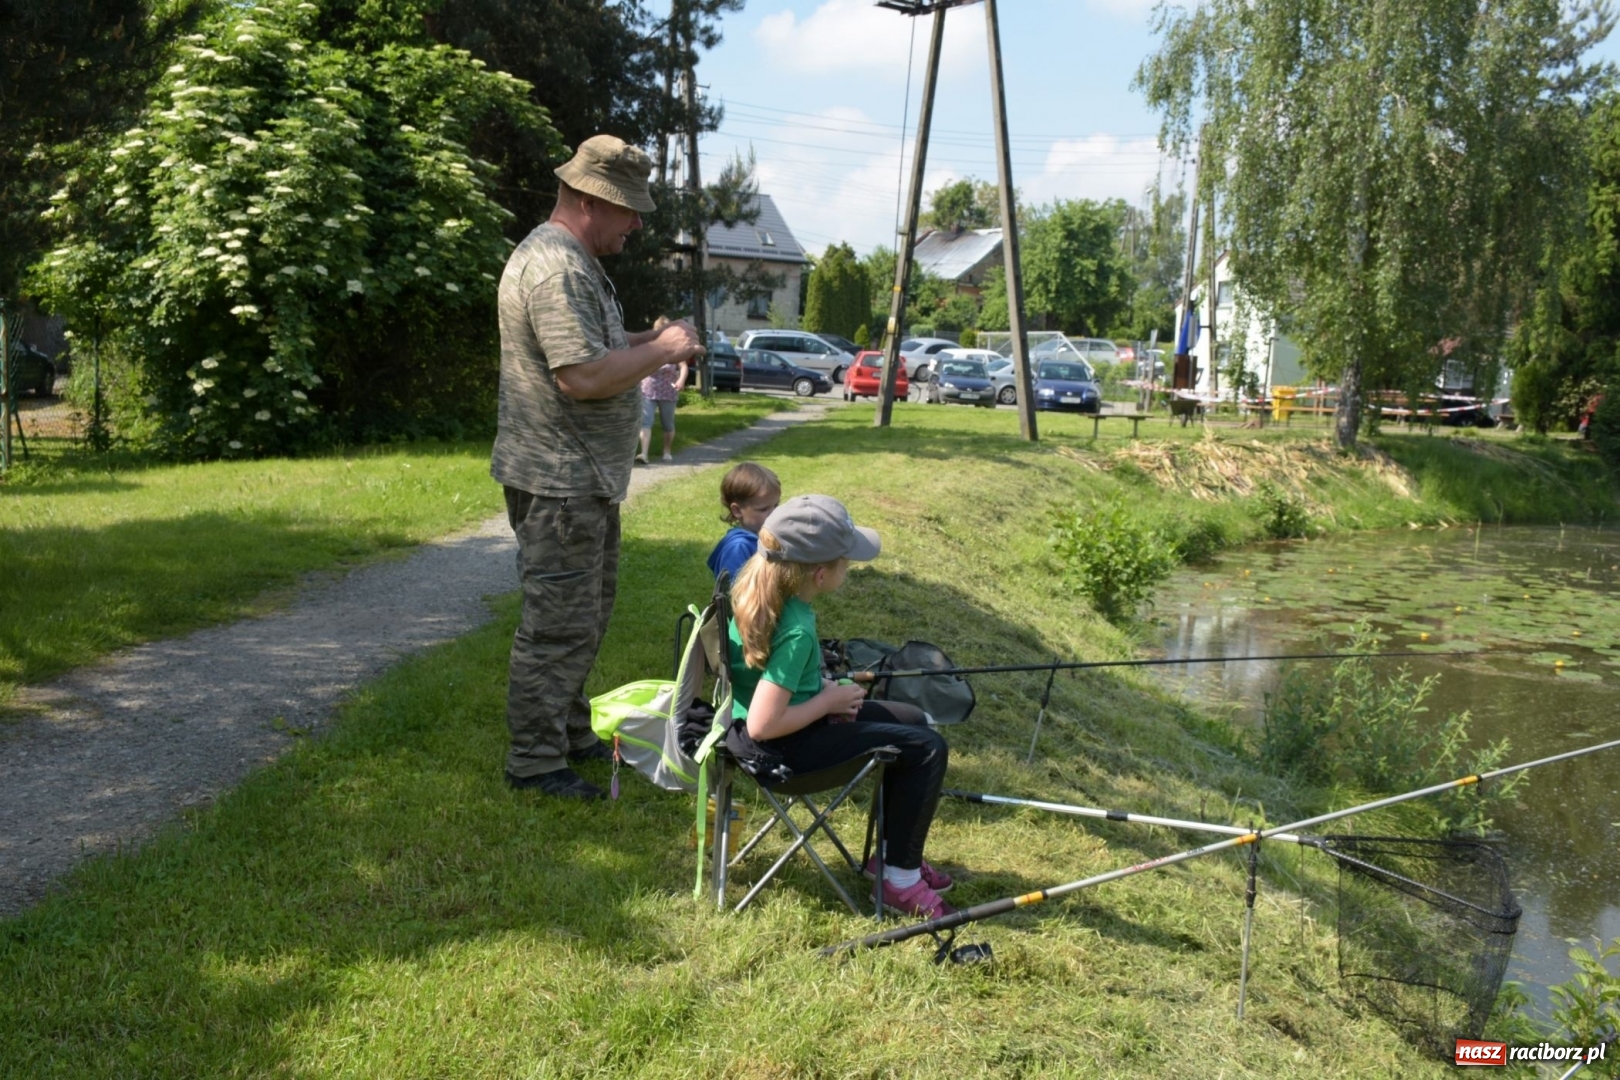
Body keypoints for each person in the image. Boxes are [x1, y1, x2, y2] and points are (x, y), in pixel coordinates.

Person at [491, 134, 705, 800]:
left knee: (584, 616)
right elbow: (582, 376)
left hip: (581, 481)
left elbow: (603, 347)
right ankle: (534, 762)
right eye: (628, 209)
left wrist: (653, 340)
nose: (636, 224)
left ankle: (566, 727)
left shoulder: (574, 262)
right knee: (557, 626)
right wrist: (665, 348)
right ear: (589, 200)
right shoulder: (556, 269)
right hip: (561, 483)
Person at [725, 494, 956, 917]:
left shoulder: (755, 594)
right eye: (846, 562)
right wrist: (827, 700)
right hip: (783, 753)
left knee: (914, 721)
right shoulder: (795, 629)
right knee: (927, 749)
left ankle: (893, 856)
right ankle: (900, 883)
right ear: (820, 574)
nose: (848, 569)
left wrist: (819, 688)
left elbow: (770, 684)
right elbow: (763, 724)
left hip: (774, 732)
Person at [707, 462, 781, 584]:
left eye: (776, 505)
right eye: (763, 509)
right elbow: (734, 591)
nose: (773, 513)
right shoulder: (738, 548)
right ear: (737, 510)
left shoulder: (766, 536)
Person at [636, 353, 687, 463]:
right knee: (645, 422)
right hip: (648, 390)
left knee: (668, 424)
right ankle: (644, 454)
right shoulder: (649, 349)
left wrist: (681, 380)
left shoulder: (674, 351)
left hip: (668, 391)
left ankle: (667, 451)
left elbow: (683, 366)